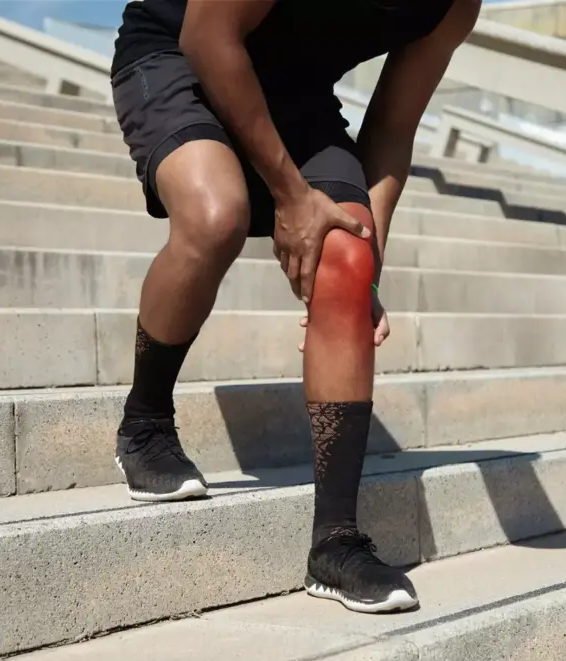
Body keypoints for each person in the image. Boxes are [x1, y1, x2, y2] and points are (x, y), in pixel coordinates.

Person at [110, 0, 480, 614]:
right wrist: (290, 195)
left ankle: (334, 544)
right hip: (179, 53)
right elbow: (207, 36)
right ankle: (143, 425)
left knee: (349, 258)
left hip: (292, 91)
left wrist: (367, 273)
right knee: (215, 217)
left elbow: (391, 126)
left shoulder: (454, 7)